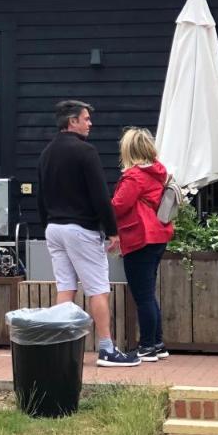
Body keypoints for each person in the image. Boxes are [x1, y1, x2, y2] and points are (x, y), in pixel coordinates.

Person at [37, 100, 139, 367]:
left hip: (54, 228)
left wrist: (46, 224)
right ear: (72, 122)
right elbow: (100, 196)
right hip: (80, 229)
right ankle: (107, 349)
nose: (90, 123)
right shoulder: (85, 152)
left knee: (65, 288)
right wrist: (113, 231)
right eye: (85, 119)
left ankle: (59, 349)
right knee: (98, 289)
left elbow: (40, 196)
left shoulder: (46, 153)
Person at [111, 128, 174, 362]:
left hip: (140, 237)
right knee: (148, 293)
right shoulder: (158, 172)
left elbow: (118, 206)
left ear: (128, 150)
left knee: (143, 295)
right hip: (158, 236)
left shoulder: (134, 177)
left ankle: (147, 346)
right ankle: (157, 343)